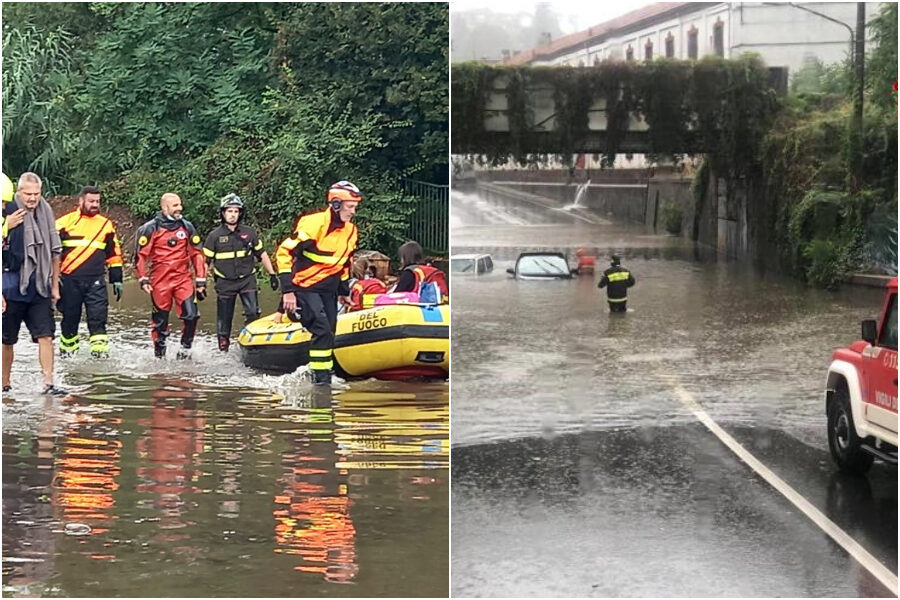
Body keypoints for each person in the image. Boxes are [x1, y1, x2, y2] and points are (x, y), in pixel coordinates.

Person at [275, 180, 360, 385]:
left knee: (329, 332)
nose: (353, 212)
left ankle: (322, 375)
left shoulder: (350, 231)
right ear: (336, 204)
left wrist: (343, 291)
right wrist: (288, 292)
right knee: (321, 328)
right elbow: (284, 252)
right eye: (350, 207)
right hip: (304, 287)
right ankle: (321, 382)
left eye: (355, 208)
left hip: (328, 290)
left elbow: (344, 263)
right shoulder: (314, 224)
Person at [1, 172, 66, 395]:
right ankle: (4, 384)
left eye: (36, 194)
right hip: (10, 284)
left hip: (39, 285)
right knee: (6, 339)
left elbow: (55, 251)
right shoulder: (6, 211)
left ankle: (48, 384)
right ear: (18, 192)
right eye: (27, 194)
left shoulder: (46, 212)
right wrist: (6, 225)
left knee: (46, 335)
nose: (32, 199)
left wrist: (55, 286)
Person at [203, 193, 278, 352]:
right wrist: (200, 283)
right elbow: (205, 262)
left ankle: (250, 343)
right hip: (225, 282)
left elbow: (262, 254)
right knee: (224, 318)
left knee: (252, 312)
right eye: (229, 211)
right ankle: (223, 348)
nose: (233, 215)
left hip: (247, 279)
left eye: (236, 211)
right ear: (223, 213)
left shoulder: (249, 232)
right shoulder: (214, 236)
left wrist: (272, 274)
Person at [135, 193, 207, 359]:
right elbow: (141, 256)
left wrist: (201, 280)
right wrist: (143, 278)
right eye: (175, 205)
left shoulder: (186, 227)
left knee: (192, 315)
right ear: (164, 208)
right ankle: (159, 356)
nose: (179, 208)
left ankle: (185, 350)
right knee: (160, 322)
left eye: (180, 205)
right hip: (160, 281)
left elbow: (197, 254)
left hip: (183, 279)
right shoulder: (151, 228)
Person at [55, 186, 124, 358]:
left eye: (97, 202)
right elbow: (52, 252)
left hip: (96, 281)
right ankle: (67, 356)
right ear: (81, 201)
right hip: (69, 280)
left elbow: (114, 253)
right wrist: (52, 279)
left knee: (98, 319)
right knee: (70, 320)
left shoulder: (105, 225)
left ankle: (99, 360)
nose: (95, 205)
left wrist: (117, 279)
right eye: (91, 201)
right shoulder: (63, 223)